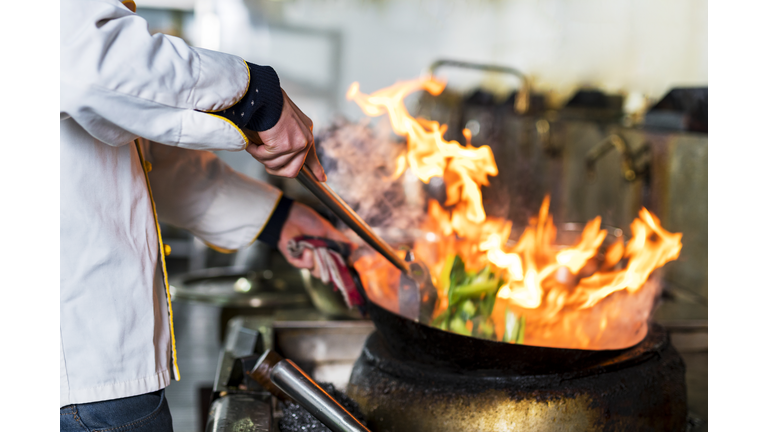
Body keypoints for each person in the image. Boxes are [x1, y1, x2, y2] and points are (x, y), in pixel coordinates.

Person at [60, 0, 347, 430]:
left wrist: (279, 218)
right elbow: (88, 63)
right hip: (81, 374)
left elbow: (142, 161)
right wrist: (252, 94)